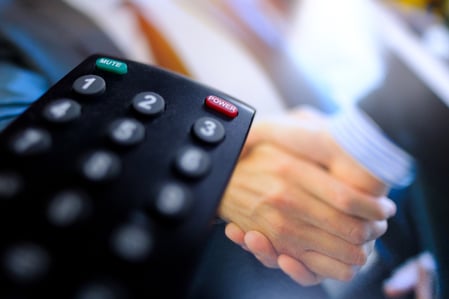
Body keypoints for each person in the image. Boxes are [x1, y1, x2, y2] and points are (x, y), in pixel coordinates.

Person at [0, 0, 432, 298]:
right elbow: (34, 149)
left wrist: (420, 252)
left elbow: (321, 122)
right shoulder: (13, 30)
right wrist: (221, 168)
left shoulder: (230, 10)